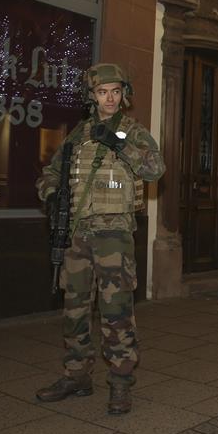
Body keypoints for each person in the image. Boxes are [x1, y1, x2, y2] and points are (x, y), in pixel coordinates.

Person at [34, 63, 164, 415]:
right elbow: (50, 172)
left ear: (124, 95)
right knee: (74, 308)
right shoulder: (78, 135)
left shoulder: (132, 131)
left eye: (115, 92)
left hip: (114, 236)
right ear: (91, 96)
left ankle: (121, 381)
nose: (109, 98)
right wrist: (51, 194)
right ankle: (76, 375)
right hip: (77, 234)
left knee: (116, 311)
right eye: (102, 92)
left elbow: (155, 169)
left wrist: (120, 144)